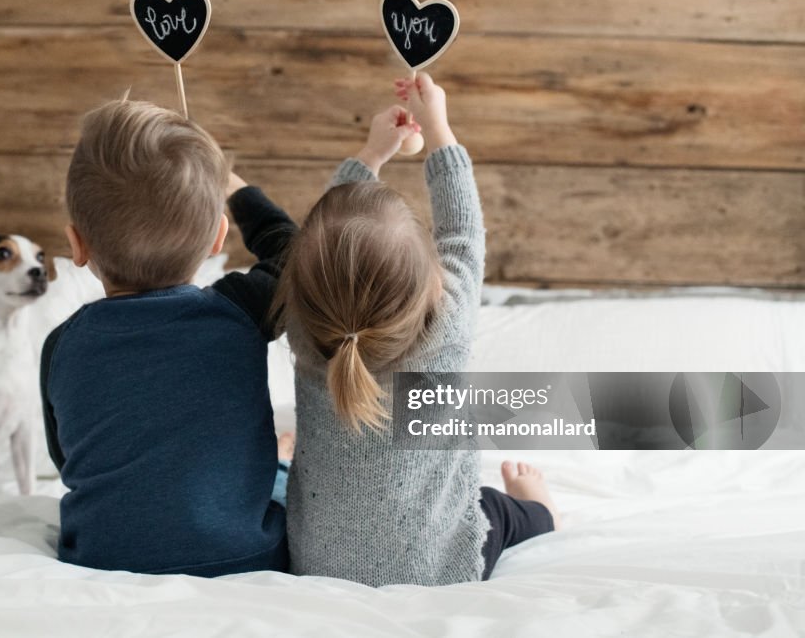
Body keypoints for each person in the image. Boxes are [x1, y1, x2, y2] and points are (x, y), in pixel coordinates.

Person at [275, 73, 557, 585]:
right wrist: (439, 130)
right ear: (432, 281)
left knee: (281, 482)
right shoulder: (446, 324)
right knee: (504, 511)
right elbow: (464, 234)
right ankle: (540, 509)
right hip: (438, 563)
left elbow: (330, 246)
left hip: (318, 563)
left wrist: (370, 155)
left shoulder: (303, 327)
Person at [41, 97, 295, 576]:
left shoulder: (62, 346)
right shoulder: (239, 312)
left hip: (99, 557)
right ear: (218, 237)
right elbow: (293, 253)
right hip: (246, 555)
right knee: (289, 484)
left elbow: (67, 456)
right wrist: (237, 189)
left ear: (76, 245)